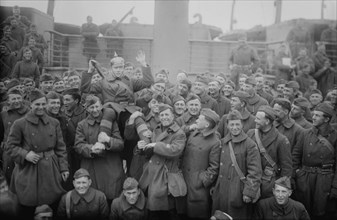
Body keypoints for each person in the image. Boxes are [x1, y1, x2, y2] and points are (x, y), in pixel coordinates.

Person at [6, 89, 69, 218]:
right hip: (28, 170)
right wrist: (25, 154)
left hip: (50, 169)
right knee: (27, 206)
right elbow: (10, 146)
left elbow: (61, 148)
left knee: (53, 204)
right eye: (37, 104)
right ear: (30, 105)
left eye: (43, 104)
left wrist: (63, 168)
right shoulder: (20, 124)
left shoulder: (54, 123)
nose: (40, 107)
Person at [138, 104, 187, 220]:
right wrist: (140, 147)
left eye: (167, 115)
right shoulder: (157, 129)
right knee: (152, 209)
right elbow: (149, 152)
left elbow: (175, 150)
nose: (164, 117)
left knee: (167, 210)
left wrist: (155, 144)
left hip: (167, 176)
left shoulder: (179, 133)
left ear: (173, 116)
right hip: (152, 174)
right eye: (162, 115)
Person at [74, 95, 125, 204]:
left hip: (111, 165)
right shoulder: (82, 125)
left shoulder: (111, 122)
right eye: (91, 107)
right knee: (94, 200)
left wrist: (108, 140)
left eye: (97, 106)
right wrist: (92, 149)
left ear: (101, 105)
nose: (95, 110)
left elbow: (120, 144)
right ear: (86, 108)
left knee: (112, 198)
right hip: (92, 166)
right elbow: (78, 146)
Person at [212, 110, 262, 219]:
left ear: (242, 125)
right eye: (232, 124)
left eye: (237, 124)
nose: (235, 127)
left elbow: (255, 171)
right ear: (227, 125)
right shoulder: (223, 142)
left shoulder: (250, 144)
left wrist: (249, 193)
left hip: (238, 192)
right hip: (222, 190)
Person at [292, 102, 337, 219]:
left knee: (322, 213)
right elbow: (295, 157)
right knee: (304, 210)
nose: (313, 117)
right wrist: (295, 175)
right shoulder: (305, 133)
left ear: (326, 119)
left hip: (324, 180)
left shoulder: (335, 136)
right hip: (305, 178)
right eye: (313, 114)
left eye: (317, 115)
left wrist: (335, 187)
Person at [182, 108, 221, 219]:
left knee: (197, 215)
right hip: (184, 180)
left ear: (207, 124)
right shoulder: (194, 133)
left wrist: (201, 181)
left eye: (200, 119)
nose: (197, 121)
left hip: (197, 188)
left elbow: (214, 168)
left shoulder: (215, 142)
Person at [247, 105, 292, 199]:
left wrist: (279, 189)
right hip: (251, 181)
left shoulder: (281, 140)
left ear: (267, 121)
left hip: (268, 184)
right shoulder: (251, 133)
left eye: (258, 119)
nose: (255, 121)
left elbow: (286, 168)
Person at [1, 89, 30, 183]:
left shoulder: (29, 113)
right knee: (8, 174)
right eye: (13, 99)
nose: (17, 101)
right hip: (8, 151)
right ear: (8, 101)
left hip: (24, 150)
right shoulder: (3, 114)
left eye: (19, 98)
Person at [62, 88, 87, 190]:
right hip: (66, 153)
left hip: (80, 153)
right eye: (64, 100)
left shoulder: (85, 114)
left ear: (76, 101)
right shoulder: (61, 113)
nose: (65, 103)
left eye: (68, 100)